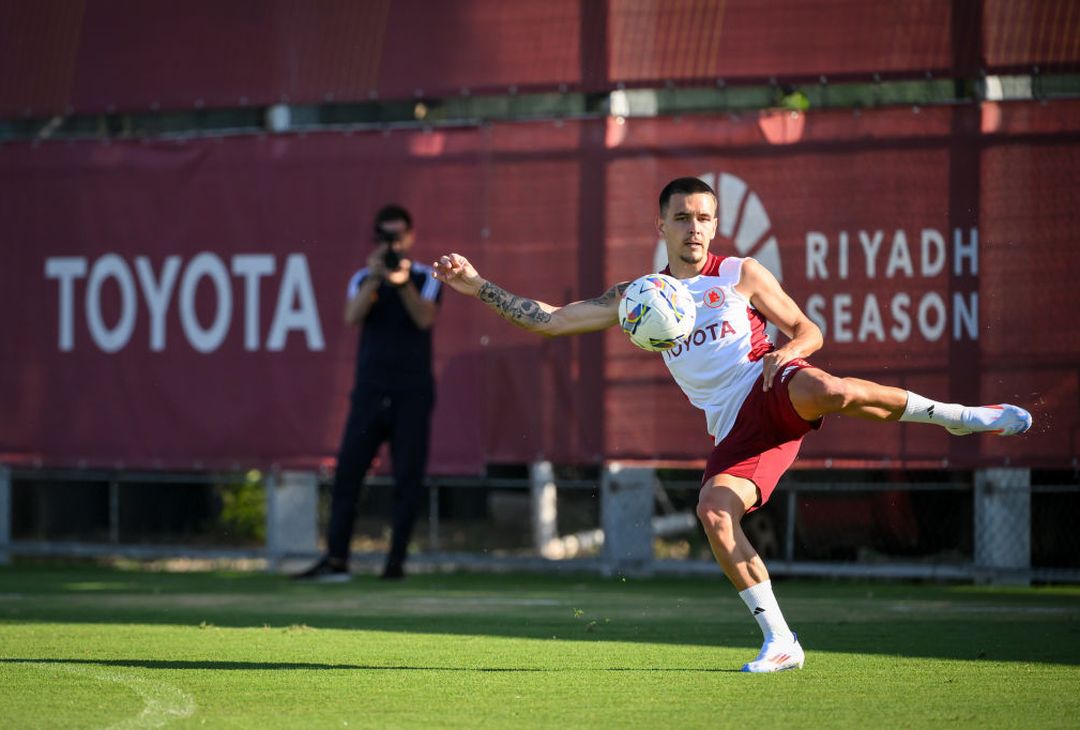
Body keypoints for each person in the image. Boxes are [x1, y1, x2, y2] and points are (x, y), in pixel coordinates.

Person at [431, 177, 1032, 672]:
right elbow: (551, 320)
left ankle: (960, 418)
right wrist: (476, 286)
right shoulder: (638, 295)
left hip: (770, 381)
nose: (693, 228)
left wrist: (787, 350)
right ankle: (781, 641)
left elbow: (810, 330)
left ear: (715, 225)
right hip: (733, 427)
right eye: (682, 218)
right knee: (714, 515)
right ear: (661, 226)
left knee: (831, 389)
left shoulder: (740, 273)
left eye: (703, 218)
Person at [296, 204, 443, 581]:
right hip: (370, 392)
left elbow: (424, 318)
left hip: (411, 393)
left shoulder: (426, 277)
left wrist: (401, 282)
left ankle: (395, 564)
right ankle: (336, 560)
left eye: (398, 236)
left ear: (410, 237)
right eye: (385, 236)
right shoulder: (363, 277)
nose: (392, 243)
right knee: (348, 472)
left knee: (407, 477)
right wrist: (378, 278)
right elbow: (351, 316)